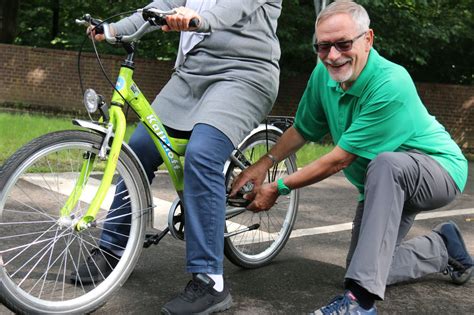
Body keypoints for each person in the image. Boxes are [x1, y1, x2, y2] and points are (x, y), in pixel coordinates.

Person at [230, 1, 472, 314]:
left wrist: (278, 188)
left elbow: (338, 160)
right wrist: (261, 166)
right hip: (384, 182)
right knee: (359, 267)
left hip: (438, 172)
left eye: (344, 44)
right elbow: (303, 130)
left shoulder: (390, 83)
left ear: (368, 39)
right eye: (323, 46)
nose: (333, 55)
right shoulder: (324, 75)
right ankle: (443, 248)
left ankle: (360, 304)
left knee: (385, 165)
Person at [72, 1, 282, 314]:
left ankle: (210, 281)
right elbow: (162, 6)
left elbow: (231, 10)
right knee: (139, 147)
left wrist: (197, 19)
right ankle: (114, 247)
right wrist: (112, 29)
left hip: (245, 75)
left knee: (202, 153)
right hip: (194, 73)